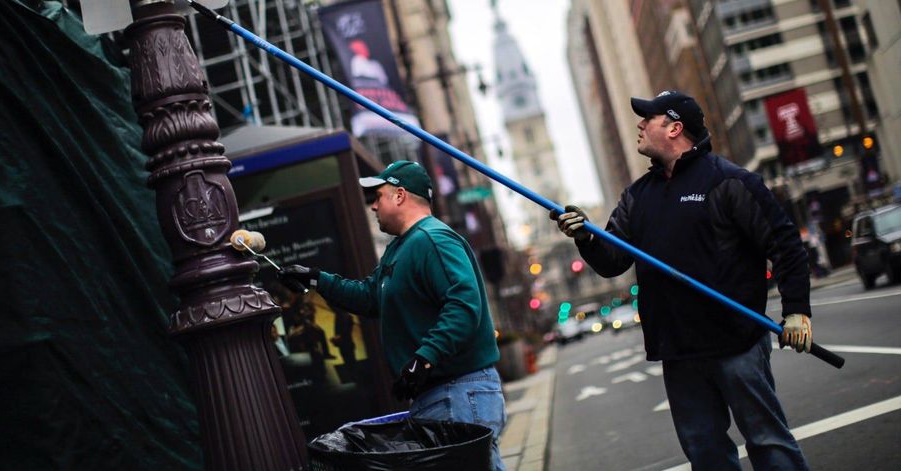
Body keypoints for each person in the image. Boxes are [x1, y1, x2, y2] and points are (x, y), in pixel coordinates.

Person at [552, 91, 813, 470]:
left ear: (675, 128)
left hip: (736, 340)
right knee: (705, 454)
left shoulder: (729, 181)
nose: (639, 124)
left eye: (649, 118)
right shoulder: (637, 198)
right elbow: (612, 262)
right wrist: (586, 237)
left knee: (768, 442)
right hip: (678, 351)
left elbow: (785, 242)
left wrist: (797, 312)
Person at [278, 160, 507, 471]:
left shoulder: (432, 239)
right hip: (443, 395)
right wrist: (316, 279)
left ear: (400, 195)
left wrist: (424, 358)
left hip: (457, 393)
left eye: (378, 196)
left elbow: (464, 304)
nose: (373, 206)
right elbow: (371, 297)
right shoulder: (401, 247)